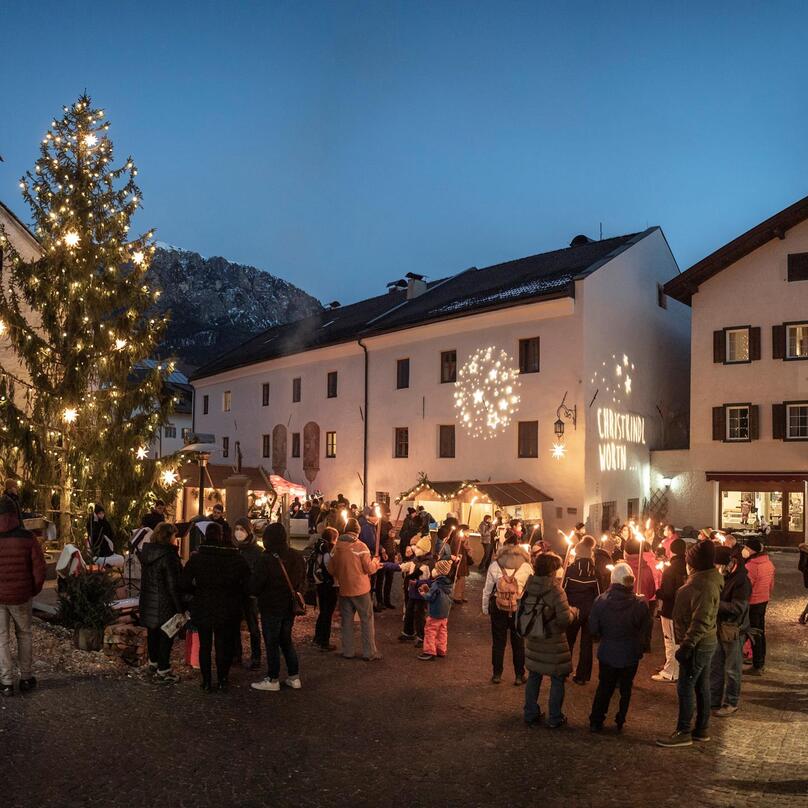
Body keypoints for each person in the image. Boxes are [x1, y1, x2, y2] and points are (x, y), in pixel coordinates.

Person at [656, 540, 723, 748]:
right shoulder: (706, 581)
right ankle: (701, 729)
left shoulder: (701, 586)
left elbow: (701, 620)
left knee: (686, 686)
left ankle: (684, 731)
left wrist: (686, 646)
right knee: (701, 686)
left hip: (697, 644)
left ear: (693, 564)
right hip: (704, 641)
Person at [180, 522, 250, 692]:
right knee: (223, 644)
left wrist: (196, 592)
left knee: (205, 645)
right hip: (227, 606)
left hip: (203, 604)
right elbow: (247, 582)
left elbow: (184, 583)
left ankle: (206, 681)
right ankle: (222, 679)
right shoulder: (235, 557)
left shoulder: (197, 558)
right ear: (221, 536)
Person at [588, 561, 651, 732]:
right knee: (626, 687)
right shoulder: (639, 604)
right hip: (630, 653)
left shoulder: (601, 601)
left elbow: (593, 628)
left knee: (604, 686)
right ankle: (620, 719)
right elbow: (645, 629)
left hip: (608, 651)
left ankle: (596, 720)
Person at [520, 552, 576, 728]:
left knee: (534, 676)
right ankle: (555, 717)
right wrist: (573, 612)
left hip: (534, 638)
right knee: (557, 679)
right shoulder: (556, 590)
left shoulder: (529, 585)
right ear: (552, 571)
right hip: (553, 642)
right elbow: (564, 619)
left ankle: (530, 713)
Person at [250, 523, 306, 692]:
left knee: (272, 642)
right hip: (289, 606)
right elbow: (302, 580)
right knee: (286, 640)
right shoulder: (296, 556)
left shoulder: (265, 559)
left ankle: (273, 678)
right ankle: (294, 677)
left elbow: (256, 585)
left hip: (271, 606)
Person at [0, 494, 46, 696]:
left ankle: (6, 682)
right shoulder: (27, 537)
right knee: (24, 634)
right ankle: (26, 678)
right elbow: (39, 568)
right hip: (21, 596)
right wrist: (32, 590)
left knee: (1, 638)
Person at [327, 518, 381, 660]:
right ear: (358, 531)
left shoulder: (336, 547)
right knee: (366, 620)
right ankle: (369, 652)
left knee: (346, 621)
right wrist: (376, 562)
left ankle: (348, 651)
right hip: (361, 589)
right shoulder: (361, 546)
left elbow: (331, 568)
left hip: (344, 588)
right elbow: (369, 569)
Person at [138, 522, 184, 684]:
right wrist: (180, 608)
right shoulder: (169, 555)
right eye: (174, 536)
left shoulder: (147, 553)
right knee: (166, 636)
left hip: (149, 601)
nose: (176, 539)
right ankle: (163, 670)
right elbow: (173, 585)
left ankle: (153, 664)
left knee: (153, 633)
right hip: (165, 603)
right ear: (168, 537)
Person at [482, 537, 532, 684]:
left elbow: (487, 589)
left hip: (498, 607)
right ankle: (519, 675)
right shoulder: (526, 566)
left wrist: (485, 607)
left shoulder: (495, 565)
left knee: (498, 642)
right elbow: (530, 590)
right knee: (518, 643)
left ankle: (497, 674)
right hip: (518, 607)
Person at [711, 546, 751, 716]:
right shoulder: (723, 575)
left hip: (733, 630)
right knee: (715, 666)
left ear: (729, 563)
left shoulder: (742, 581)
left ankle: (731, 702)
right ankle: (713, 700)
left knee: (732, 669)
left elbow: (738, 608)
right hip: (718, 627)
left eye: (719, 565)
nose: (717, 569)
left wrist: (714, 603)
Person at [563, 535, 601, 685]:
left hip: (573, 611)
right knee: (586, 644)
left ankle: (564, 671)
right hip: (590, 611)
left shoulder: (570, 570)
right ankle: (582, 676)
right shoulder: (595, 571)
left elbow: (562, 591)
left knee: (568, 641)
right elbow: (599, 595)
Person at [652, 538, 688, 682]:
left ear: (671, 551)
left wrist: (658, 591)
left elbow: (667, 593)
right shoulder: (688, 566)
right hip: (685, 609)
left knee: (670, 641)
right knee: (679, 640)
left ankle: (670, 673)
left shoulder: (671, 570)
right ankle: (677, 669)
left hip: (670, 610)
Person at [743, 538, 775, 676]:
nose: (744, 550)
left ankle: (757, 665)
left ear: (752, 550)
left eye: (746, 548)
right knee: (760, 632)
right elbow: (771, 584)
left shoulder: (751, 566)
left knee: (754, 633)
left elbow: (746, 587)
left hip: (753, 602)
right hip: (763, 600)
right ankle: (760, 661)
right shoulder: (768, 563)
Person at [233, 517, 262, 670]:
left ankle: (256, 657)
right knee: (234, 625)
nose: (238, 533)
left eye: (242, 530)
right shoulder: (235, 549)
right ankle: (236, 655)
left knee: (253, 626)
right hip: (236, 593)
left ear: (248, 531)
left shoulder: (257, 551)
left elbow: (258, 573)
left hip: (250, 594)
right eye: (236, 529)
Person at [623, 536, 660, 651]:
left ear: (626, 551)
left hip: (624, 608)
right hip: (643, 606)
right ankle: (644, 644)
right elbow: (652, 590)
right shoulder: (647, 568)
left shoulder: (622, 569)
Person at [399, 536, 433, 646]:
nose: (415, 549)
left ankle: (421, 636)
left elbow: (431, 580)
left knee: (419, 615)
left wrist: (418, 583)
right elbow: (403, 567)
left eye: (418, 547)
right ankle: (408, 632)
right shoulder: (415, 559)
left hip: (421, 593)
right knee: (409, 612)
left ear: (424, 550)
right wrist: (387, 565)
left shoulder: (429, 563)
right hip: (412, 591)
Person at [418, 559, 453, 661]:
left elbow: (430, 597)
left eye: (436, 569)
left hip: (435, 612)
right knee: (442, 631)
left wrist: (424, 593)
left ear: (439, 571)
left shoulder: (436, 584)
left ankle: (429, 651)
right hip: (445, 613)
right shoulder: (448, 584)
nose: (434, 570)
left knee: (430, 630)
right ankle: (441, 649)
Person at [312, 526, 339, 651]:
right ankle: (324, 642)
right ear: (334, 538)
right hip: (329, 585)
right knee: (327, 613)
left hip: (320, 584)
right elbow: (330, 568)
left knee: (323, 612)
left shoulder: (319, 549)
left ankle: (317, 637)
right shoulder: (328, 552)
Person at [374, 519, 397, 610]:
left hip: (391, 554)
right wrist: (387, 535)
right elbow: (377, 540)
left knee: (389, 579)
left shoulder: (389, 524)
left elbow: (392, 540)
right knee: (380, 579)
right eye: (387, 514)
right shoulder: (378, 525)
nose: (388, 516)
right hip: (383, 555)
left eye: (389, 514)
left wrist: (395, 553)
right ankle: (380, 601)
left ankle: (387, 601)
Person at [449, 525, 472, 604]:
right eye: (467, 531)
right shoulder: (457, 539)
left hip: (463, 561)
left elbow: (468, 551)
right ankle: (457, 596)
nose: (469, 532)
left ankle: (461, 595)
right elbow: (456, 551)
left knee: (462, 579)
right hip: (459, 562)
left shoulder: (464, 539)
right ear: (462, 531)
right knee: (459, 578)